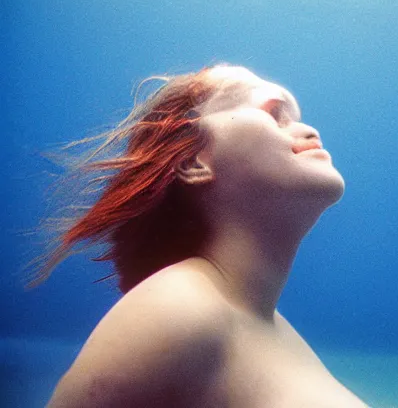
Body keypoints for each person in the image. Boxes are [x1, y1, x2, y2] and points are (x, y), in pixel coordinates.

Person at [36, 63, 369, 407]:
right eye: (272, 112)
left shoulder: (267, 326)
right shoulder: (175, 309)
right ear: (194, 162)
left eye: (295, 117)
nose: (308, 128)